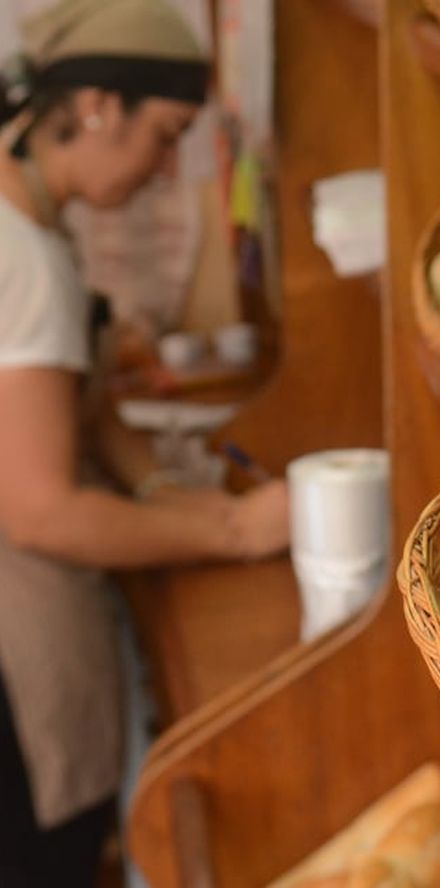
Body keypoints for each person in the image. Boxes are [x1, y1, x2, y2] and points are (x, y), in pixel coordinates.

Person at [0, 1, 290, 885]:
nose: (167, 170)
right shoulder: (24, 257)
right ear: (94, 105)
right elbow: (40, 509)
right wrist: (236, 531)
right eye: (163, 137)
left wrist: (156, 484)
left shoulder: (27, 220)